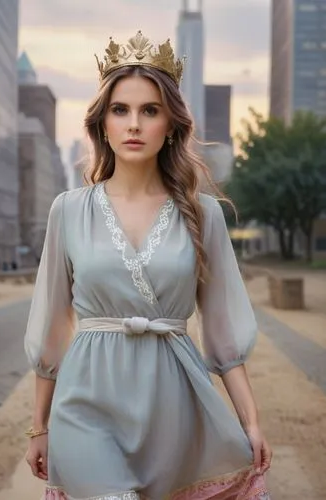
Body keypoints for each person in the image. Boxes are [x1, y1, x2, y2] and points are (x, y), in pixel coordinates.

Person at [24, 31, 272, 500]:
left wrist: (251, 423)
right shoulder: (68, 210)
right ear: (102, 123)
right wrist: (38, 427)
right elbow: (52, 326)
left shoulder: (204, 215)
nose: (134, 124)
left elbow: (224, 331)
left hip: (173, 404)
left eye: (150, 110)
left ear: (171, 124)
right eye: (120, 110)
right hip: (86, 403)